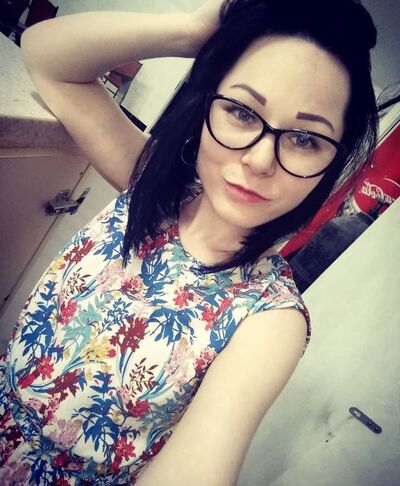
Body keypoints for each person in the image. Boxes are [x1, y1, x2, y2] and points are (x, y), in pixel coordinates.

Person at [0, 0, 378, 484]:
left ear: (332, 163)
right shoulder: (151, 185)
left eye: (306, 140)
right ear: (206, 105)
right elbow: (45, 54)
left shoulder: (268, 320)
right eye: (241, 111)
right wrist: (192, 30)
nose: (260, 160)